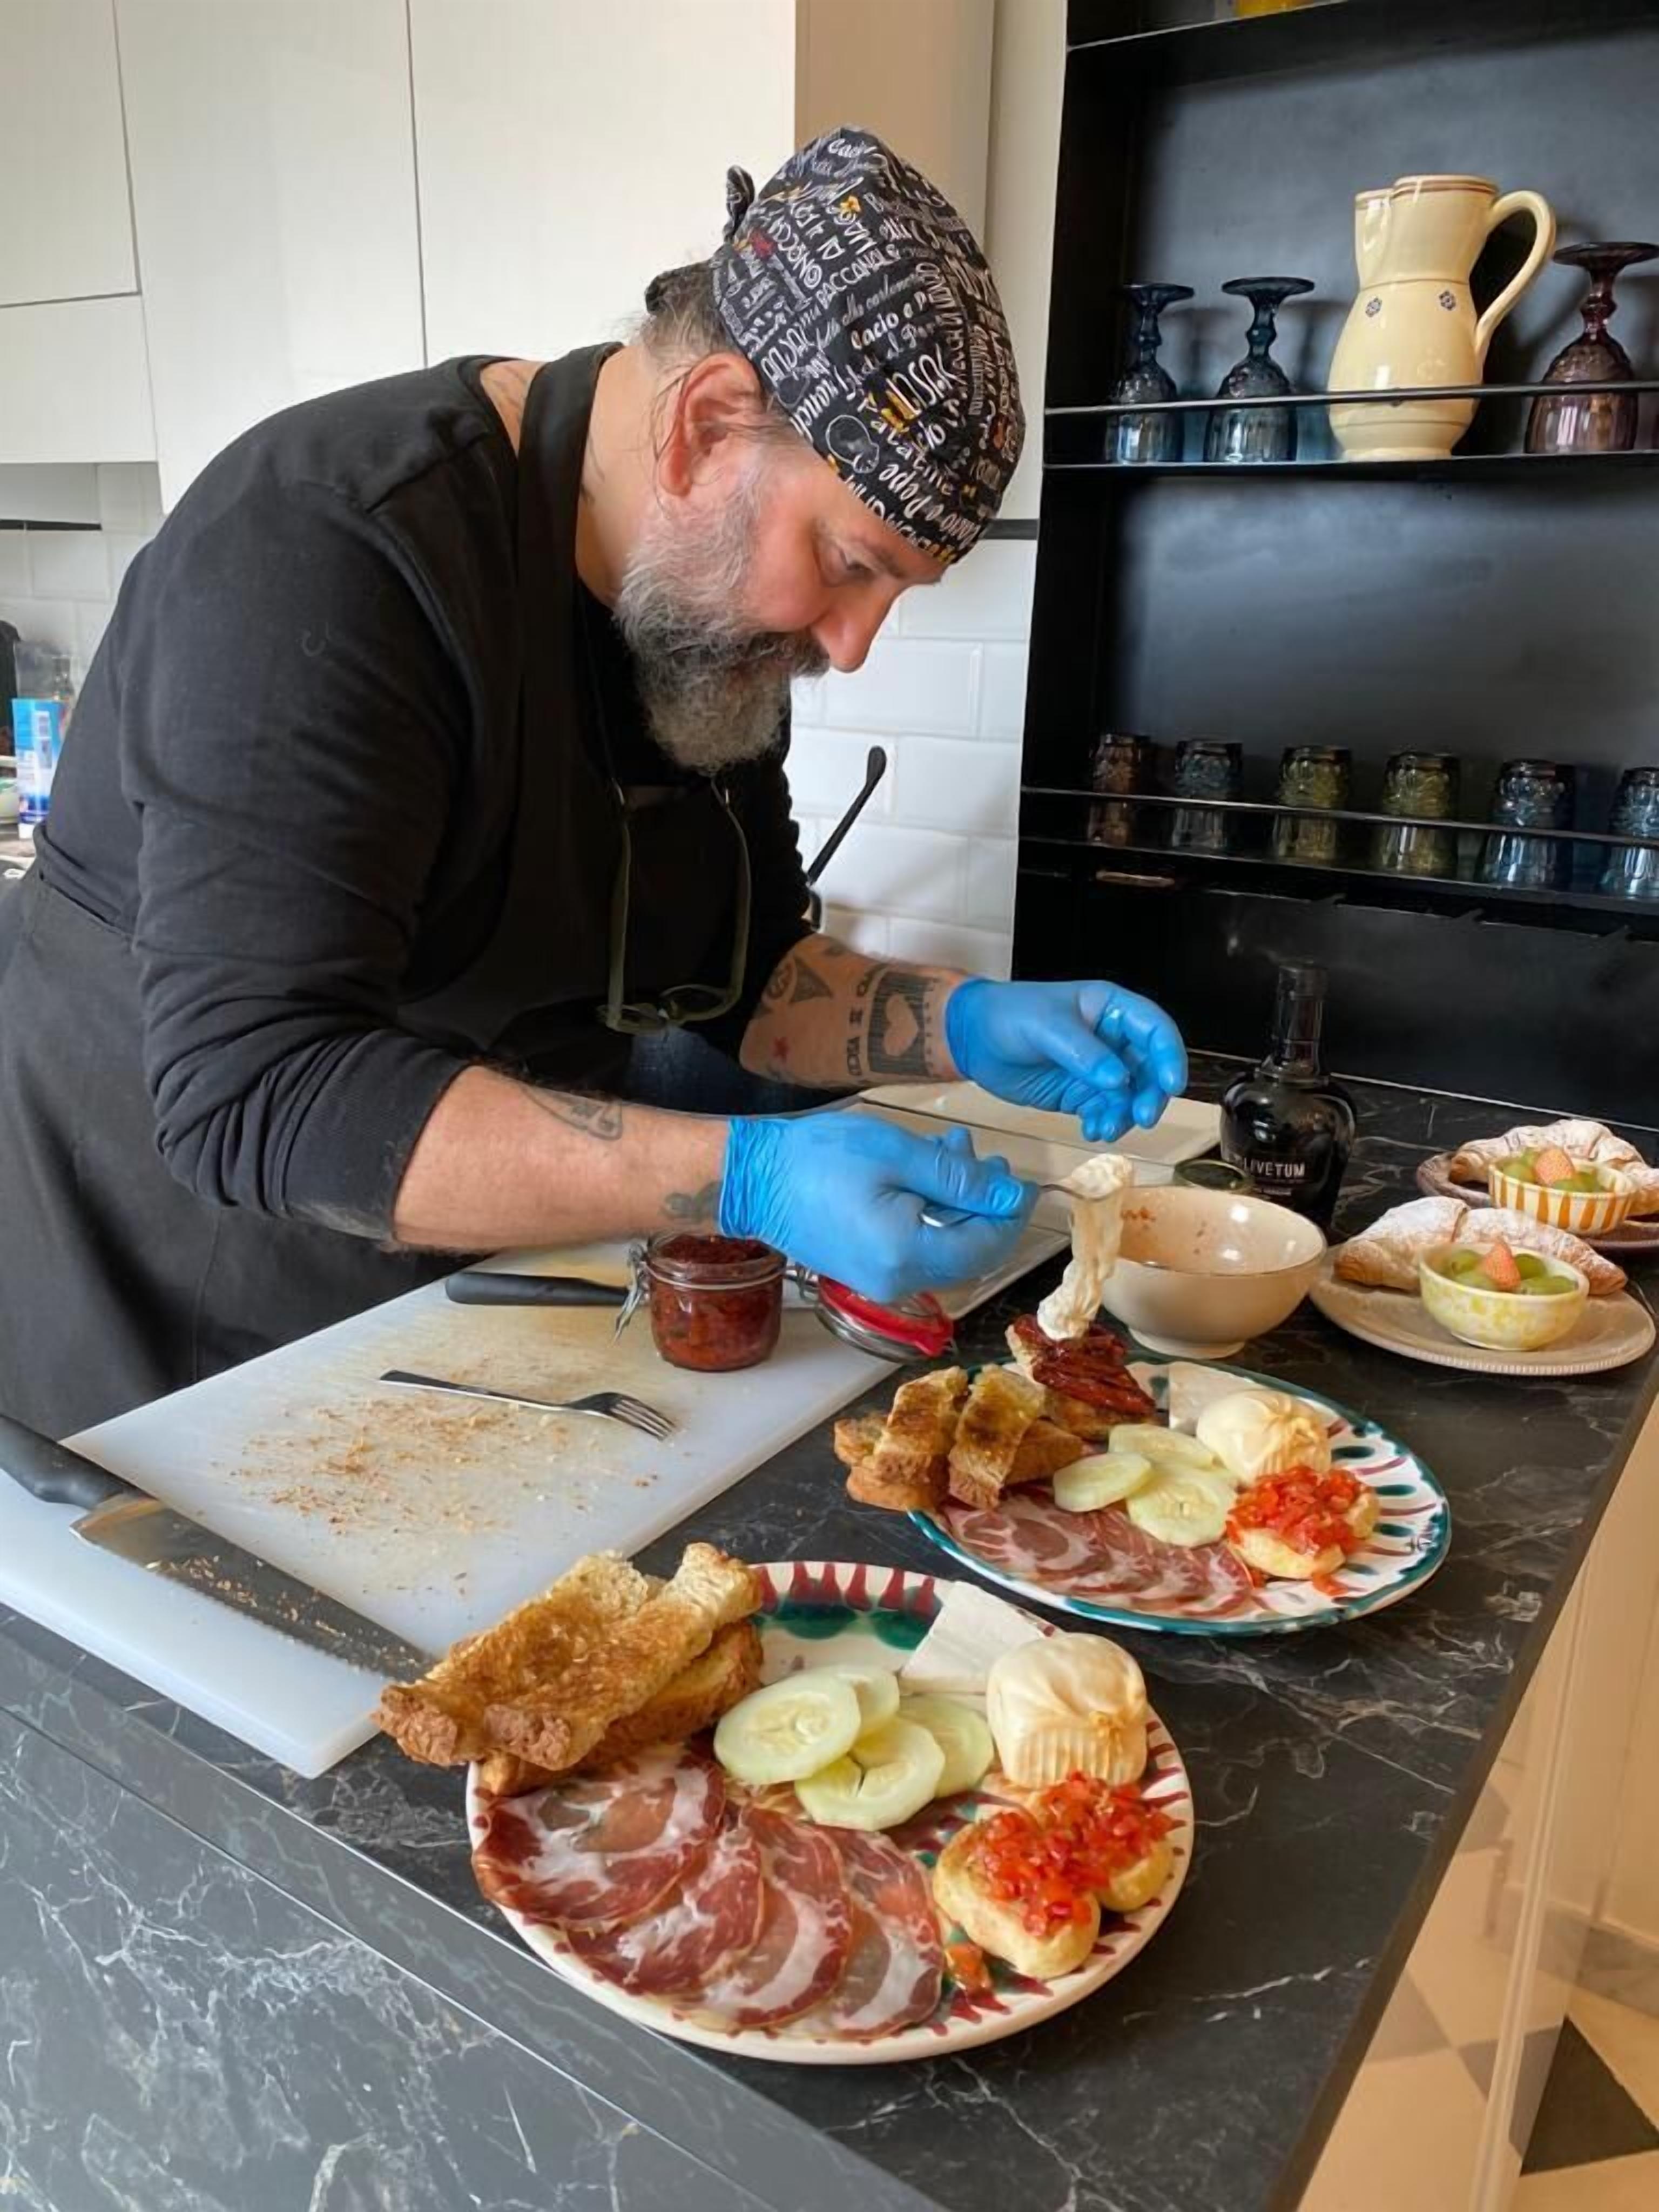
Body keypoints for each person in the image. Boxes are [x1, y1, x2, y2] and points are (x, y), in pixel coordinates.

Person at [0, 127, 1185, 1439]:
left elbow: (748, 980)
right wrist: (748, 1176)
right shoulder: (330, 547)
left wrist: (962, 1022)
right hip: (179, 1325)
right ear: (706, 424)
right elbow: (260, 1093)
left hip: (446, 1291)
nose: (852, 645)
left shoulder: (701, 625)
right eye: (851, 565)